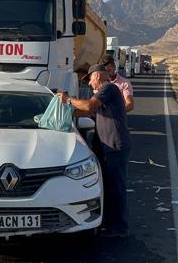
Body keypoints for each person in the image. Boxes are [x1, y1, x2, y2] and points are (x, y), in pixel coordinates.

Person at [59, 64, 131, 238]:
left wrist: (68, 99)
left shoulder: (108, 88)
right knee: (107, 185)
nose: (90, 84)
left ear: (97, 76)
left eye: (90, 79)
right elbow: (85, 113)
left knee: (116, 187)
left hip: (115, 145)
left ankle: (119, 228)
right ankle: (108, 223)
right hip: (106, 146)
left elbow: (89, 106)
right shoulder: (103, 95)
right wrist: (61, 113)